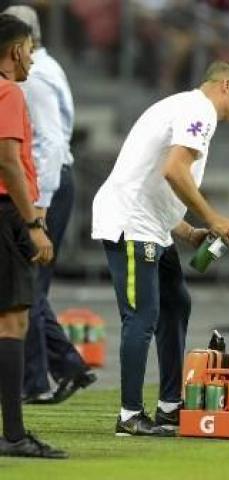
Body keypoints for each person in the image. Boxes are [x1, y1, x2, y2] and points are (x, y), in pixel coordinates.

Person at [91, 61, 229, 437]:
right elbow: (174, 171)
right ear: (225, 86)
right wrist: (213, 219)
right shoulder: (199, 112)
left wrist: (187, 231)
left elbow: (147, 174)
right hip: (132, 225)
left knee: (177, 303)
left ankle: (169, 406)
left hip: (152, 226)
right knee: (142, 316)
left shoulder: (184, 107)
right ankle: (130, 415)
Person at [3, 5, 96, 406]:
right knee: (29, 287)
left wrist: (37, 209)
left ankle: (35, 379)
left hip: (40, 187)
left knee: (28, 289)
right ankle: (65, 366)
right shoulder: (45, 68)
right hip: (43, 184)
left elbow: (51, 145)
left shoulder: (33, 79)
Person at [0, 13, 66, 459]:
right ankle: (14, 435)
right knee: (12, 321)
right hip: (7, 213)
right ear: (17, 49)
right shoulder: (7, 91)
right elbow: (8, 160)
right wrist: (34, 224)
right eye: (29, 49)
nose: (31, 57)